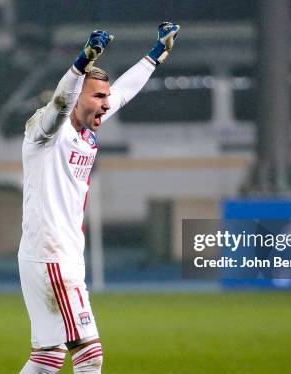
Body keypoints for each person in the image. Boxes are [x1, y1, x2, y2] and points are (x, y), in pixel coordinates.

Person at [17, 22, 180, 374]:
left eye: (106, 98)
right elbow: (61, 101)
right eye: (98, 97)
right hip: (53, 258)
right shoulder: (48, 132)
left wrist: (155, 55)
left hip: (53, 256)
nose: (107, 104)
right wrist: (81, 62)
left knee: (47, 359)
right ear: (78, 98)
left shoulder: (84, 129)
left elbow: (123, 91)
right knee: (90, 356)